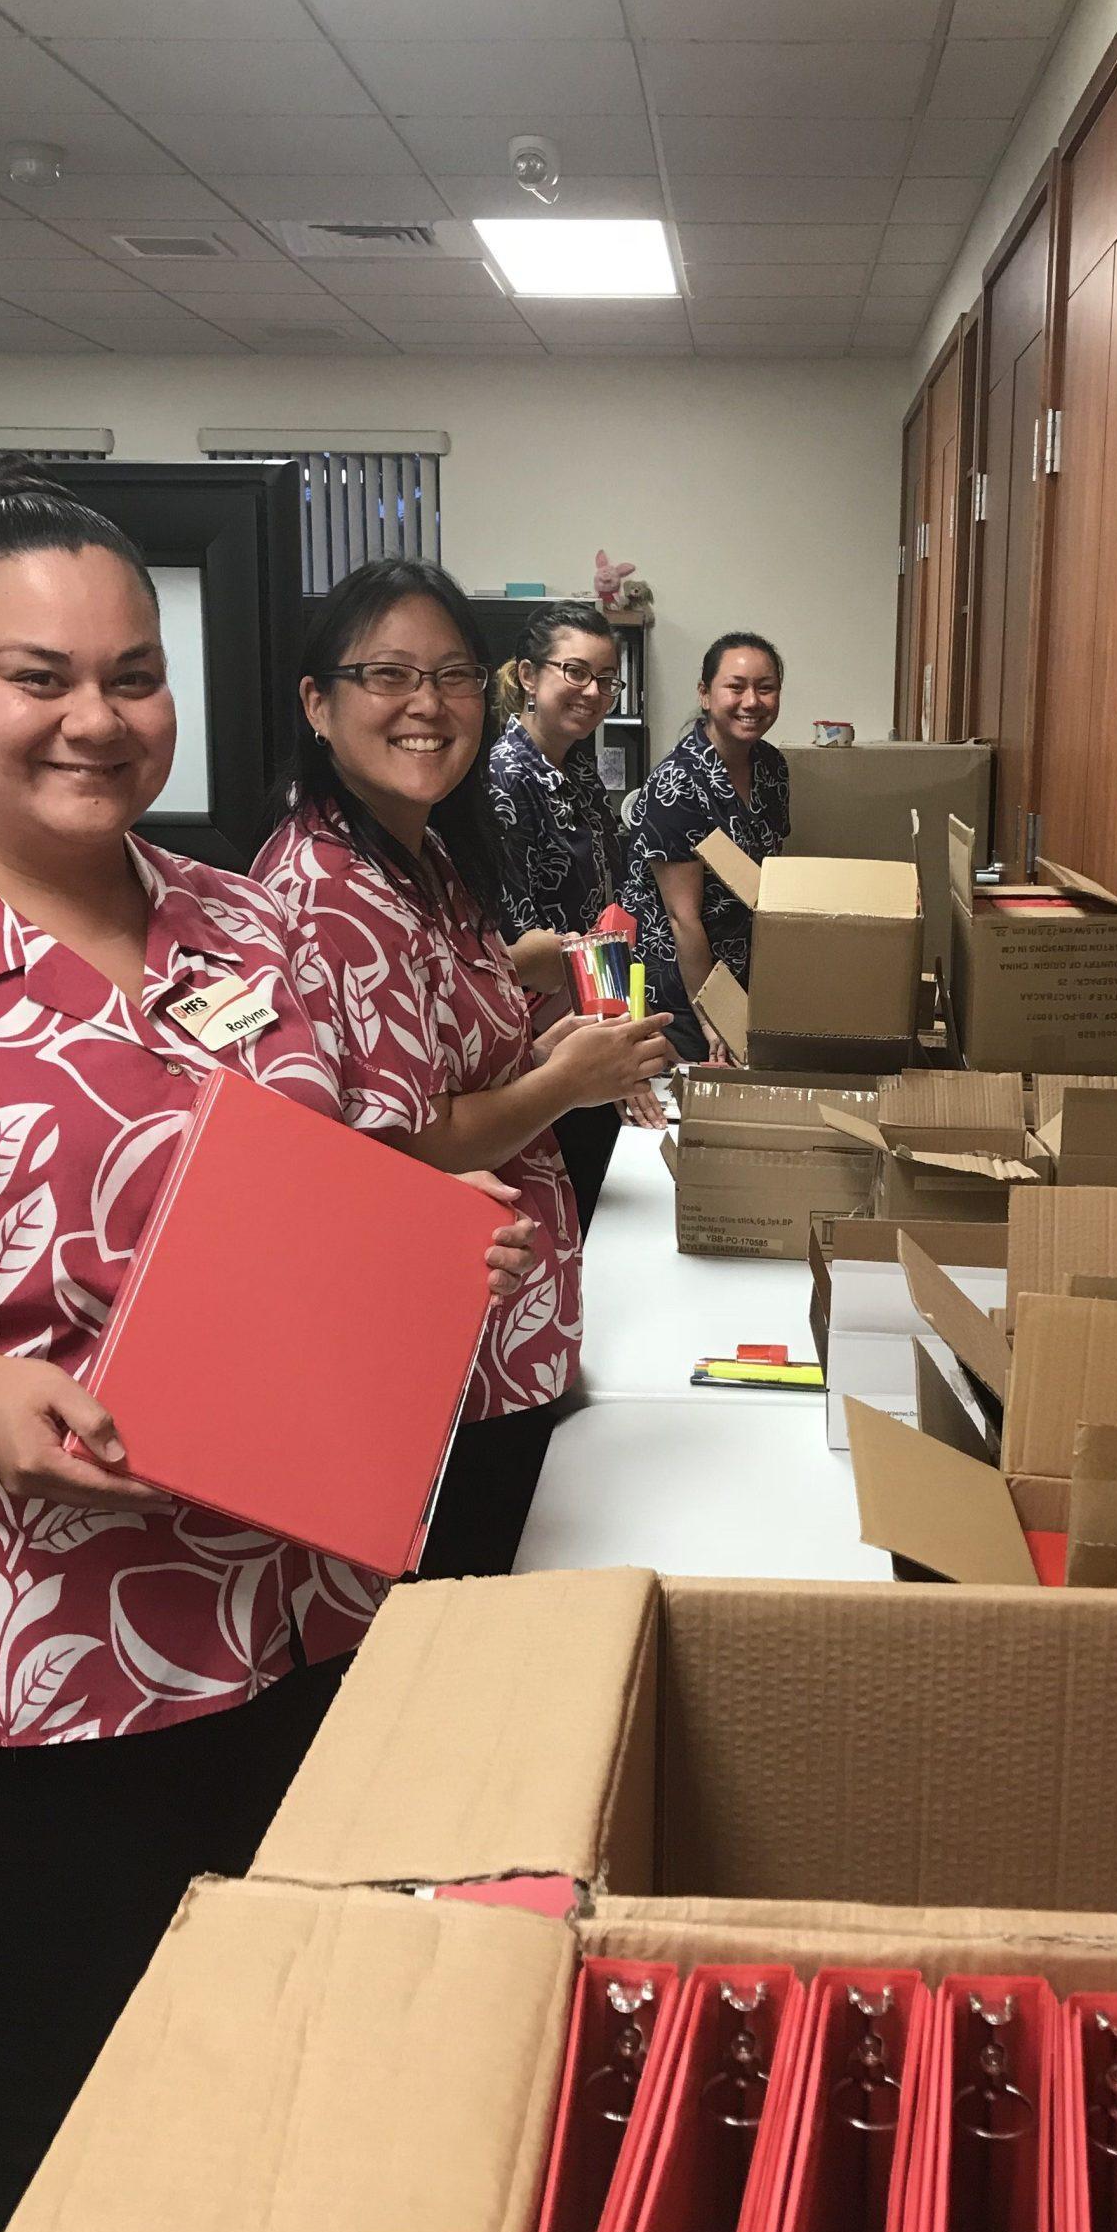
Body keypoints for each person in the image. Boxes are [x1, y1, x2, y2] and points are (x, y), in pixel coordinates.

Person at [0, 464, 533, 2232]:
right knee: (65, 2076)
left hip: (297, 1607)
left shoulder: (238, 931)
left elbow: (323, 1180)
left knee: (275, 2044)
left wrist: (424, 1232)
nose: (94, 720)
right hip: (31, 1652)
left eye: (133, 675)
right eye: (38, 677)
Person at [252, 557, 672, 1579]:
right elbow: (409, 1142)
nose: (428, 705)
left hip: (502, 1325)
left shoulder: (423, 854)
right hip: (437, 1339)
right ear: (317, 702)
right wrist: (566, 1083)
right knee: (463, 1604)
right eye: (389, 676)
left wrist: (555, 1051)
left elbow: (459, 1063)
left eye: (452, 676)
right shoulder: (332, 889)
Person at [488, 601, 659, 1231]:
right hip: (539, 1036)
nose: (593, 692)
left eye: (606, 679)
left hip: (592, 1010)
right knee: (566, 1212)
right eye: (576, 672)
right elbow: (527, 944)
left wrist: (621, 1036)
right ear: (529, 675)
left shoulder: (578, 766)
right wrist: (608, 1045)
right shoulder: (505, 779)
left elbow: (604, 908)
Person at [622, 631, 791, 1062]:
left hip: (746, 973)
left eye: (765, 688)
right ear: (704, 693)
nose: (751, 701)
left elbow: (772, 876)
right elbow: (683, 919)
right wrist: (712, 1018)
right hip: (683, 987)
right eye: (736, 687)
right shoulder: (678, 783)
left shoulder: (772, 767)